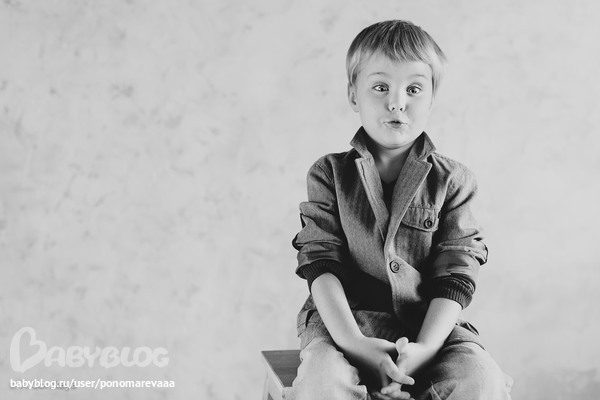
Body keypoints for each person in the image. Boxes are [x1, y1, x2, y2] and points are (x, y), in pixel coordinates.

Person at [285, 20, 512, 400]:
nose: (397, 102)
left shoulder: (454, 181)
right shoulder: (328, 173)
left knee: (481, 379)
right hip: (343, 328)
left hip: (429, 329)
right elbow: (320, 263)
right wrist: (355, 343)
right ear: (353, 95)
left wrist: (424, 350)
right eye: (380, 87)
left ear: (432, 98)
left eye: (413, 89)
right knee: (323, 382)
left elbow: (456, 274)